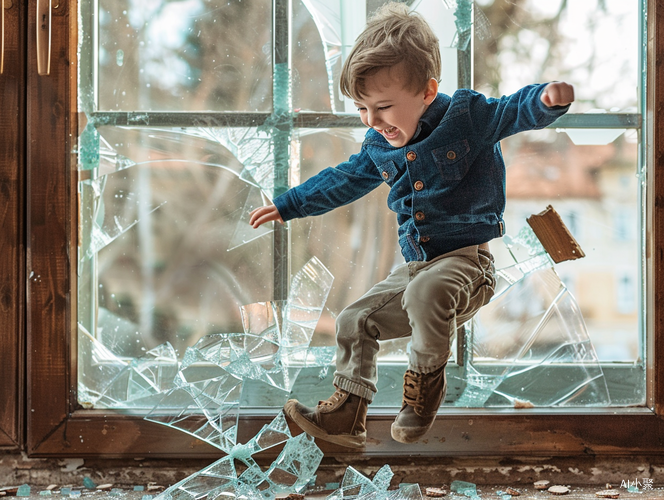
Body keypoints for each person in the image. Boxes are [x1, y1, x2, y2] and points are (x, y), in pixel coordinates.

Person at [249, 2, 574, 448]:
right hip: (416, 268)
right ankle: (346, 417)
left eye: (383, 107)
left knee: (425, 293)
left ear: (426, 91)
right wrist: (290, 205)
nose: (373, 121)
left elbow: (512, 110)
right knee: (353, 319)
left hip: (468, 266)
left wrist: (545, 100)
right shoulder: (377, 146)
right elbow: (342, 180)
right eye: (362, 109)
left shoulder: (467, 117)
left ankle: (423, 392)